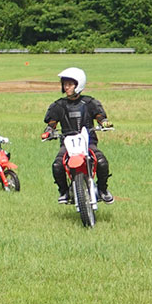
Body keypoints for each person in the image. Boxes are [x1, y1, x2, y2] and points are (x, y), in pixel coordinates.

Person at [41, 67, 114, 204]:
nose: (66, 87)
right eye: (65, 84)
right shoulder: (58, 105)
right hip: (67, 143)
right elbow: (52, 124)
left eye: (70, 84)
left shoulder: (89, 103)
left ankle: (103, 190)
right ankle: (63, 191)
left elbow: (100, 117)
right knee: (57, 165)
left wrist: (104, 123)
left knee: (102, 162)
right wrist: (48, 131)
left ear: (79, 84)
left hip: (88, 141)